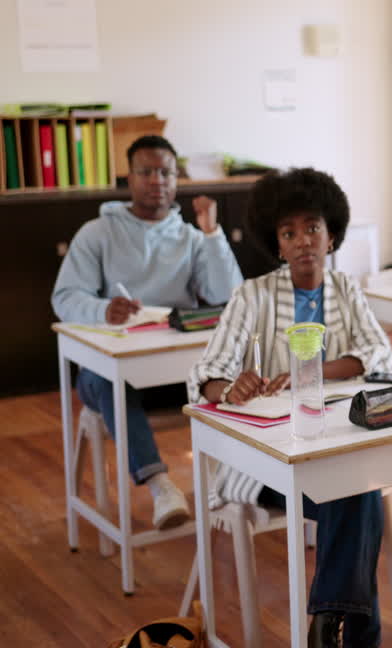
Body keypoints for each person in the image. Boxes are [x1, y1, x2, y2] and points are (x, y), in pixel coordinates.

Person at [187, 167, 392, 648]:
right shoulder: (251, 295)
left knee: (354, 484)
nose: (303, 241)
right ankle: (344, 629)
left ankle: (326, 624)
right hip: (266, 463)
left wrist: (315, 373)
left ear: (332, 235)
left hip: (334, 452)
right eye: (289, 232)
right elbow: (206, 373)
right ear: (277, 244)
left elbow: (380, 352)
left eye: (313, 228)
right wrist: (230, 388)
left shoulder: (346, 290)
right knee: (360, 492)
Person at [51, 135, 242, 529]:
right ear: (130, 178)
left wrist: (211, 233)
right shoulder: (97, 233)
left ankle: (234, 483)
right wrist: (104, 309)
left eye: (166, 172)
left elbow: (230, 296)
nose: (157, 180)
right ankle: (161, 487)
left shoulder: (190, 236)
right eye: (147, 171)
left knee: (234, 371)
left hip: (175, 372)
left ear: (177, 179)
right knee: (106, 381)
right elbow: (65, 298)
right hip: (112, 376)